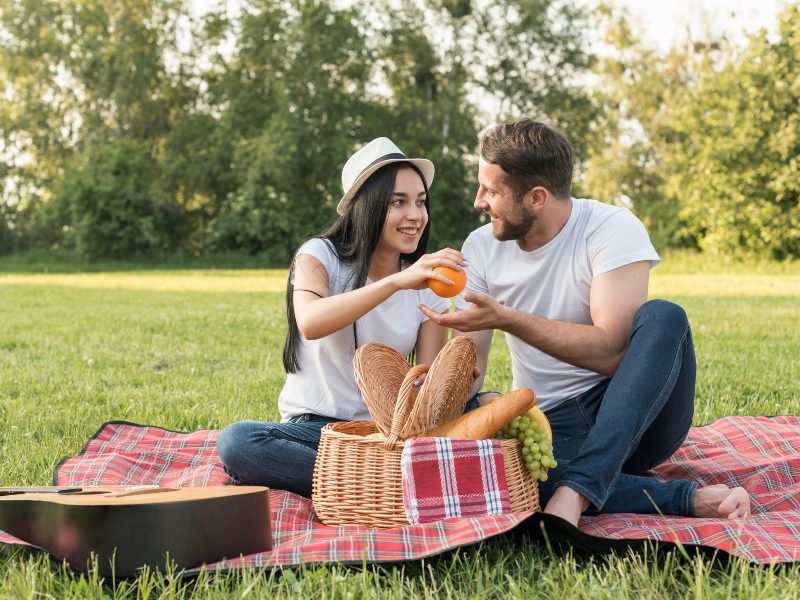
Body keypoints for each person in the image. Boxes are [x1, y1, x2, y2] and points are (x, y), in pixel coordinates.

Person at [420, 118, 750, 526]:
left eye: (491, 190)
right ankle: (685, 499)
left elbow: (612, 352)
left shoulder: (610, 228)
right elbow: (474, 368)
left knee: (665, 316)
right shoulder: (481, 247)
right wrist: (452, 382)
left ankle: (576, 491)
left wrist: (508, 318)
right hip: (554, 425)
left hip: (636, 414)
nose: (478, 202)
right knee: (501, 476)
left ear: (536, 197)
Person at [217, 137, 466, 497]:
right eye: (398, 202)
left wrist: (451, 383)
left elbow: (422, 396)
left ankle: (363, 482)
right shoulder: (320, 256)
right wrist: (396, 283)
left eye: (421, 202)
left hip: (385, 435)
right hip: (316, 431)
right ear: (367, 206)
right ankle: (392, 484)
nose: (416, 215)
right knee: (239, 442)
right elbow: (311, 321)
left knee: (478, 410)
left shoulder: (426, 284)